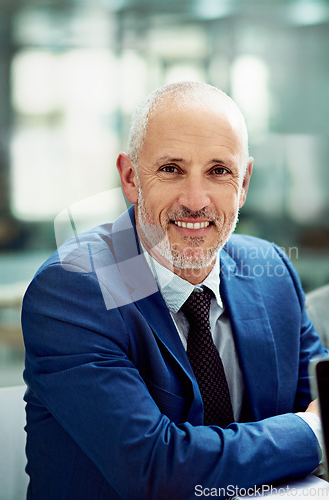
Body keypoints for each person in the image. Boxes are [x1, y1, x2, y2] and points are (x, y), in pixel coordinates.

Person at [22, 81, 327, 500]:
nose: (196, 200)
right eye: (171, 169)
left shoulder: (270, 271)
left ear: (244, 183)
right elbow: (156, 471)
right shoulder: (75, 290)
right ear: (131, 178)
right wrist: (309, 432)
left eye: (219, 171)